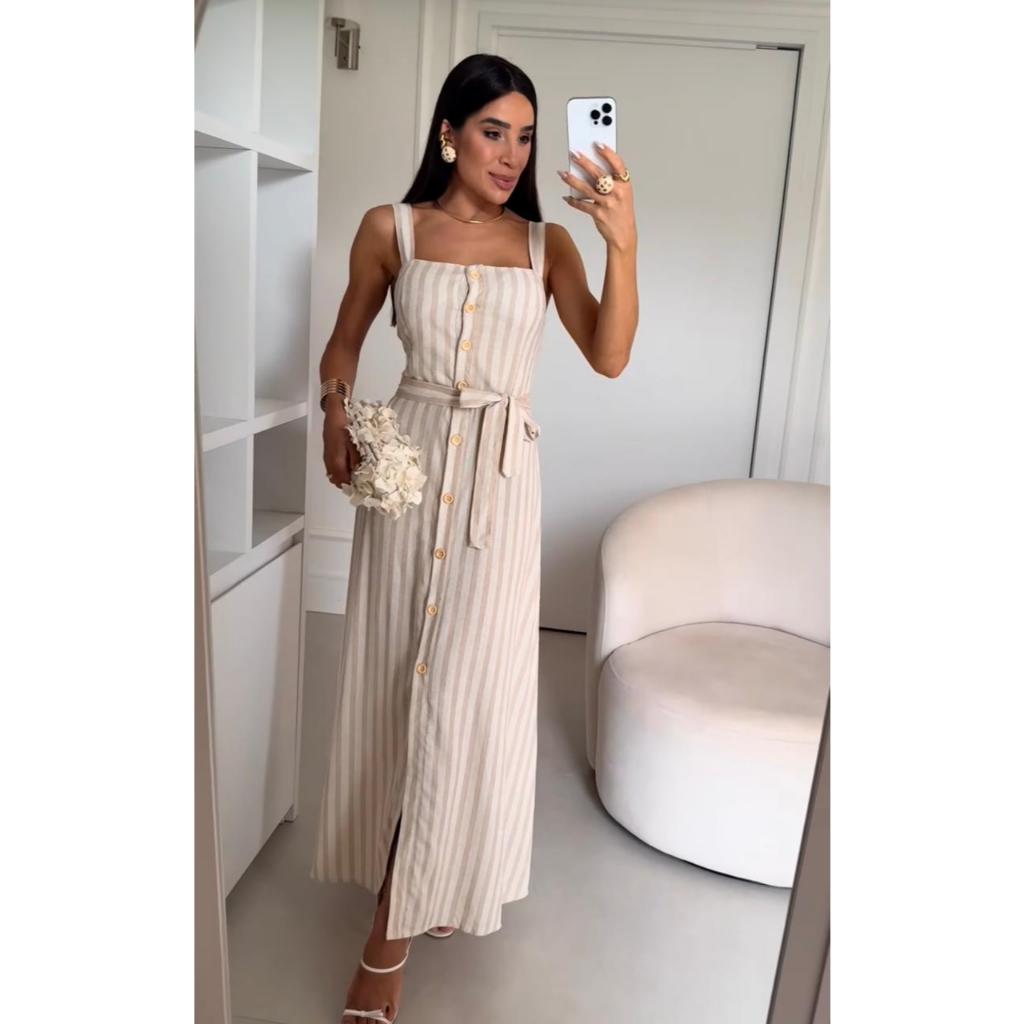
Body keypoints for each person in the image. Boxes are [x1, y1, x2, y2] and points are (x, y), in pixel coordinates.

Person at [310, 52, 638, 1024]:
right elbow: (344, 341)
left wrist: (622, 243)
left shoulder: (547, 246)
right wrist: (334, 411)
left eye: (526, 137)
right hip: (407, 479)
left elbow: (610, 355)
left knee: (460, 696)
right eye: (494, 131)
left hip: (498, 484)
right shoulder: (392, 229)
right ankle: (422, 867)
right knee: (395, 680)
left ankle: (386, 942)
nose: (512, 154)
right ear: (449, 133)